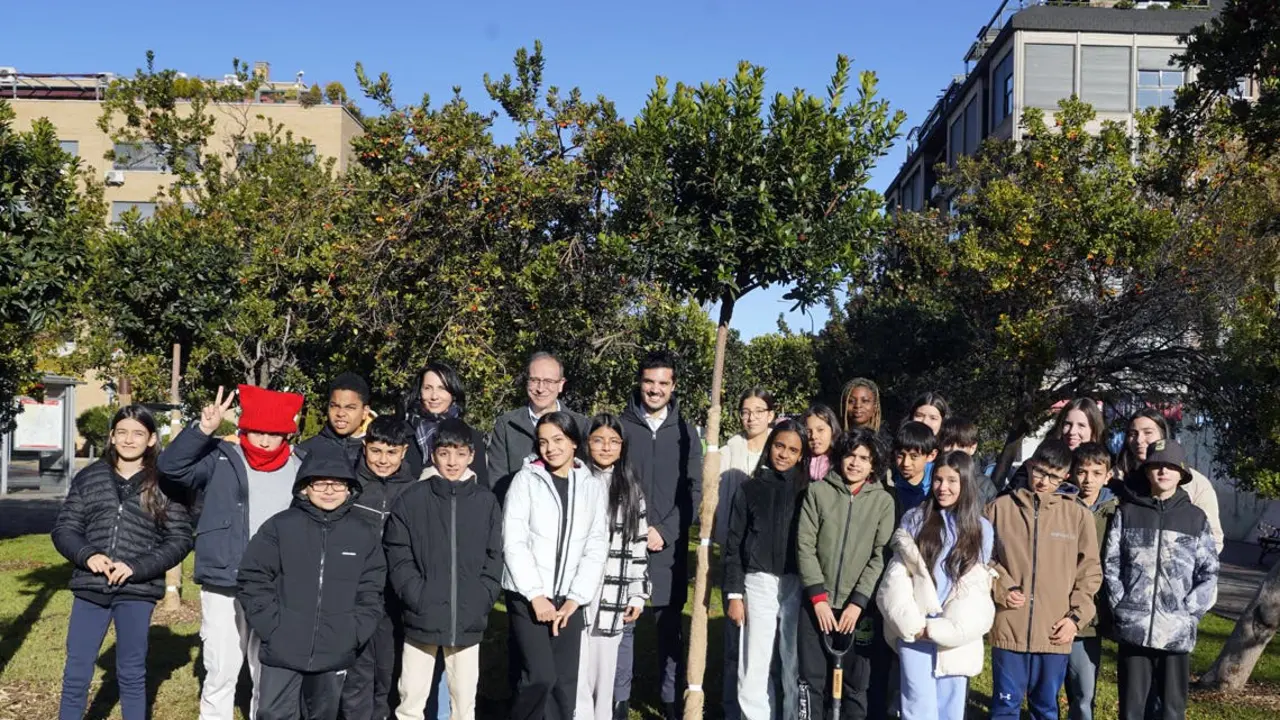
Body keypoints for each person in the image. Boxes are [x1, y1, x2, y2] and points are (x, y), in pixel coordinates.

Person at [158, 384, 305, 720]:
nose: (265, 441)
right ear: (244, 428)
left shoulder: (301, 465)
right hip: (225, 577)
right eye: (257, 432)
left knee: (267, 668)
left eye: (274, 433)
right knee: (221, 666)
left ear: (287, 433)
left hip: (277, 582)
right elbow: (170, 468)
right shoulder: (220, 457)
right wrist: (204, 430)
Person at [53, 405, 194, 720]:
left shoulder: (166, 482)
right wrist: (87, 554)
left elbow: (180, 539)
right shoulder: (90, 477)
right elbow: (65, 529)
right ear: (112, 436)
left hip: (137, 589)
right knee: (76, 671)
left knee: (131, 671)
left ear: (152, 439)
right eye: (122, 432)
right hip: (91, 587)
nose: (129, 440)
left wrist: (137, 567)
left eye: (138, 433)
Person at [236, 446, 387, 720]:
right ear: (305, 487)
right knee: (272, 713)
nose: (329, 490)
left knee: (323, 714)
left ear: (350, 488)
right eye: (320, 483)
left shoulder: (362, 533)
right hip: (283, 646)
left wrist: (353, 633)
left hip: (335, 647)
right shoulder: (280, 527)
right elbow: (252, 578)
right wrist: (272, 626)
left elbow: (372, 589)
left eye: (337, 483)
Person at [383, 418, 503, 720]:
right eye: (445, 452)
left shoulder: (485, 502)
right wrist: (415, 594)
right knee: (411, 698)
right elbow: (398, 553)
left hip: (467, 615)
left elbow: (494, 554)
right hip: (421, 614)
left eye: (460, 453)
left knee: (463, 703)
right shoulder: (412, 499)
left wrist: (483, 595)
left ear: (472, 456)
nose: (452, 461)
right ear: (433, 454)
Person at [985, 438, 1102, 720]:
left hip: (1054, 631)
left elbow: (1089, 572)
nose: (1043, 481)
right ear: (1029, 465)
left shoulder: (1078, 516)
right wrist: (1002, 585)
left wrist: (1075, 618)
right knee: (1004, 707)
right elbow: (981, 560)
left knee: (1046, 708)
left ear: (1065, 476)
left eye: (1053, 476)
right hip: (1009, 627)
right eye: (1039, 471)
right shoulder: (998, 509)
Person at [503, 412, 610, 720]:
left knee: (564, 683)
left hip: (568, 601)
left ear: (574, 442)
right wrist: (536, 596)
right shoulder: (526, 480)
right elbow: (514, 540)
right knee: (539, 677)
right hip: (528, 597)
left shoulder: (590, 486)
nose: (550, 448)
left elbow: (595, 544)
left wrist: (576, 598)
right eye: (543, 442)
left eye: (558, 440)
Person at [1105, 438, 1219, 720]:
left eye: (1170, 466)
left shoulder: (1195, 518)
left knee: (1172, 710)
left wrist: (1190, 613)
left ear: (1181, 473)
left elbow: (1209, 571)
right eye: (1156, 466)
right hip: (1134, 629)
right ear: (1147, 472)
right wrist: (1122, 605)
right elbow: (1111, 563)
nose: (1163, 472)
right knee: (1132, 710)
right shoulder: (1128, 512)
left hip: (1177, 632)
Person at [616, 351, 703, 720]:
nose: (655, 389)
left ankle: (670, 702)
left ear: (673, 386)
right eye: (649, 382)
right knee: (622, 624)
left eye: (663, 383)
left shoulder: (687, 431)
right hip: (624, 542)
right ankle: (618, 700)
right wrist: (634, 528)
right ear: (640, 382)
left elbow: (695, 490)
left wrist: (665, 530)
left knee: (669, 628)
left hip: (668, 547)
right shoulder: (621, 426)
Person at [878, 451, 995, 720]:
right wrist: (912, 622)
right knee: (916, 706)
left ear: (965, 483)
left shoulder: (981, 529)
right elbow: (900, 573)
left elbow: (977, 584)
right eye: (939, 480)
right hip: (918, 629)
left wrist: (948, 626)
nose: (943, 488)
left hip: (953, 632)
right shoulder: (915, 519)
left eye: (952, 480)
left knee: (950, 707)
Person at [796, 429, 896, 720]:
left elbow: (880, 555)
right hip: (818, 605)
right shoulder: (818, 492)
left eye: (864, 458)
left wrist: (858, 602)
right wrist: (818, 598)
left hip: (858, 610)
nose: (855, 463)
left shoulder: (883, 502)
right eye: (851, 455)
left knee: (854, 684)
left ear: (874, 464)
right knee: (811, 680)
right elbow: (805, 545)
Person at [723, 419, 809, 720]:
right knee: (754, 664)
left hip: (796, 583)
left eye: (793, 450)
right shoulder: (749, 489)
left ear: (802, 456)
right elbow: (733, 545)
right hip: (758, 581)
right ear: (770, 445)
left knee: (791, 662)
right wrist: (734, 593)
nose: (784, 454)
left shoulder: (808, 491)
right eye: (779, 446)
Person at [341, 416, 420, 720]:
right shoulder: (349, 485)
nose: (382, 460)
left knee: (388, 668)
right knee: (357, 670)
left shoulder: (413, 490)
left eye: (391, 453)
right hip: (354, 594)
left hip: (394, 597)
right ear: (365, 448)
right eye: (376, 451)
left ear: (403, 452)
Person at [577, 414, 652, 720]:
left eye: (613, 441)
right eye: (598, 440)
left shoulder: (631, 490)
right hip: (580, 592)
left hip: (615, 592)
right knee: (579, 668)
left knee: (606, 670)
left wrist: (637, 594)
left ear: (623, 447)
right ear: (586, 443)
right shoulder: (577, 480)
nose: (605, 447)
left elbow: (638, 546)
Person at [712, 388, 776, 720]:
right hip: (736, 554)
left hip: (770, 560)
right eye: (745, 411)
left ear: (771, 414)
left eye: (758, 410)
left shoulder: (779, 449)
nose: (750, 417)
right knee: (734, 638)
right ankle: (730, 709)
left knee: (766, 644)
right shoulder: (729, 451)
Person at [1117, 408, 1224, 554]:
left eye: (1148, 432)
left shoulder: (1196, 483)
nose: (1139, 440)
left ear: (1163, 434)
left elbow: (1213, 540)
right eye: (1133, 434)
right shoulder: (1116, 477)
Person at [1064, 442, 1119, 720]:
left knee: (1084, 693)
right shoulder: (1060, 504)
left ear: (1108, 475)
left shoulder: (1115, 510)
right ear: (1071, 473)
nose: (1088, 479)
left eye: (1096, 473)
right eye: (1082, 472)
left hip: (1090, 614)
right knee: (1046, 689)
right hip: (1055, 601)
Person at [489, 352, 588, 500]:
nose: (541, 388)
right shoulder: (507, 425)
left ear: (561, 384)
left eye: (548, 381)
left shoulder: (581, 425)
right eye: (535, 380)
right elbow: (498, 482)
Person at [402, 361, 489, 489]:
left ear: (453, 393)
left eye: (441, 388)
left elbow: (481, 489)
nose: (434, 396)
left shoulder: (471, 437)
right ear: (419, 392)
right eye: (427, 388)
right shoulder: (403, 434)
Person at [298, 371, 372, 466]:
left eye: (350, 407)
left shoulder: (378, 456)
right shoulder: (304, 452)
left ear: (365, 412)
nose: (340, 413)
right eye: (335, 406)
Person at [937, 416, 997, 503]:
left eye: (961, 446)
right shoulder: (931, 480)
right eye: (948, 444)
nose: (953, 450)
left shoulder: (984, 486)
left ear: (972, 447)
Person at [893, 421, 939, 518]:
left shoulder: (938, 484)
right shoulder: (888, 482)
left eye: (914, 456)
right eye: (901, 455)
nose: (906, 463)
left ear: (931, 455)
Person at [802, 403, 842, 483]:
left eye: (820, 430)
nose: (813, 436)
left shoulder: (841, 461)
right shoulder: (801, 461)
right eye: (808, 431)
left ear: (833, 430)